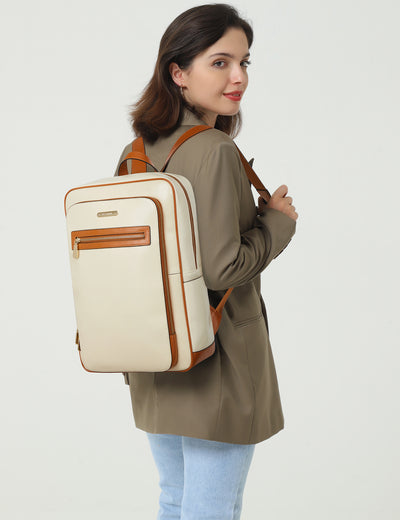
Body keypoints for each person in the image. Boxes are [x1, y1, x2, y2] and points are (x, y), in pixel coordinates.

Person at [114, 4, 298, 519]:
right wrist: (277, 225)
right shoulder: (215, 149)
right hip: (215, 358)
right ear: (178, 72)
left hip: (155, 354)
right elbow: (223, 269)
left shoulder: (135, 151)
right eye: (220, 63)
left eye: (244, 62)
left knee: (176, 498)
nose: (238, 77)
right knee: (212, 509)